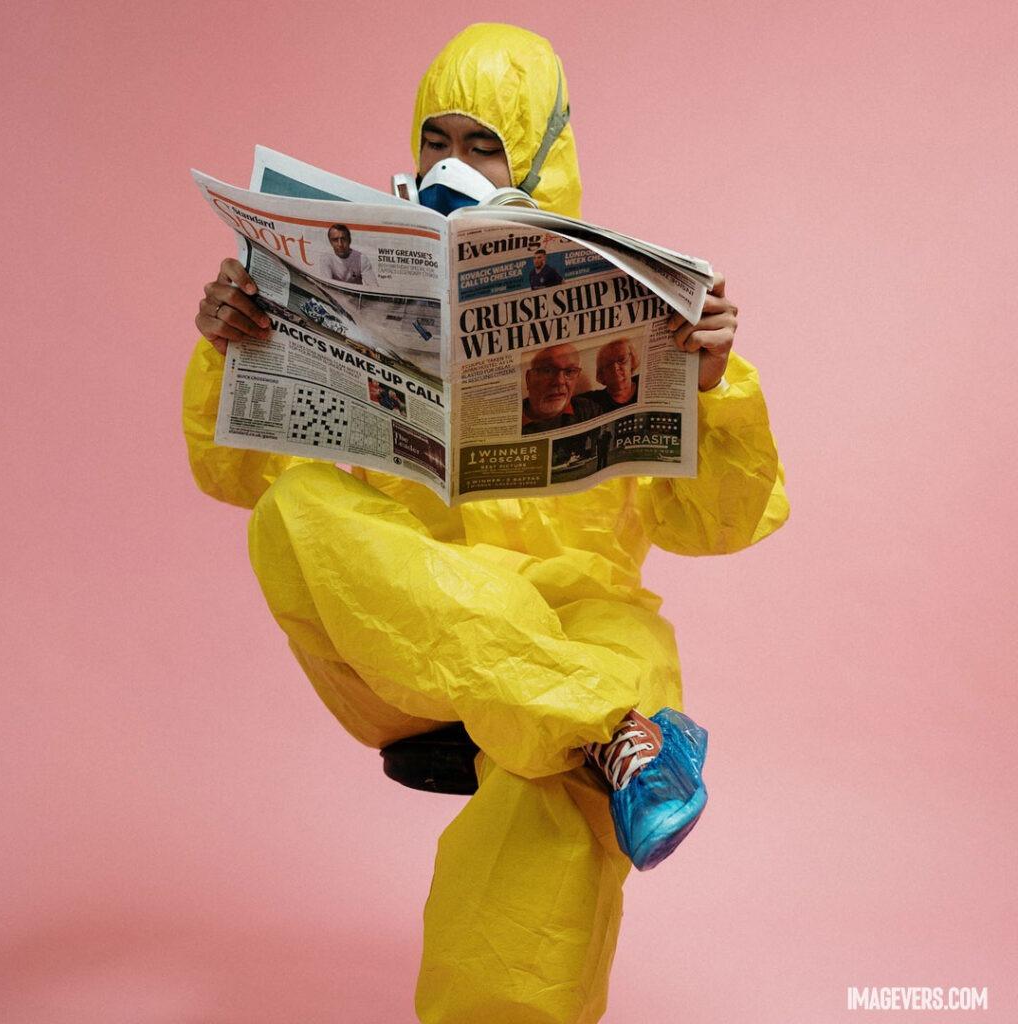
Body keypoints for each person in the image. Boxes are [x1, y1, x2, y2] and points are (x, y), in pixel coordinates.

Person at [186, 23, 788, 1024]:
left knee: (549, 802)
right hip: (418, 635)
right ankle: (611, 733)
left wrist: (714, 384)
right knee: (296, 505)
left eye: (486, 146)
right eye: (437, 140)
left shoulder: (636, 307)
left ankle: (587, 741)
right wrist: (232, 348)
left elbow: (717, 522)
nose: (451, 167)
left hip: (582, 627)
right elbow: (239, 477)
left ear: (547, 154)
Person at [521, 342, 598, 434]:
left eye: (569, 371)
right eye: (547, 370)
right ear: (529, 379)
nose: (560, 381)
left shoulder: (589, 410)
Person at [589, 336, 639, 411]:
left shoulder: (646, 382)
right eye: (608, 364)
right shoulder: (594, 401)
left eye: (622, 359)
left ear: (632, 361)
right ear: (602, 374)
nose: (615, 368)